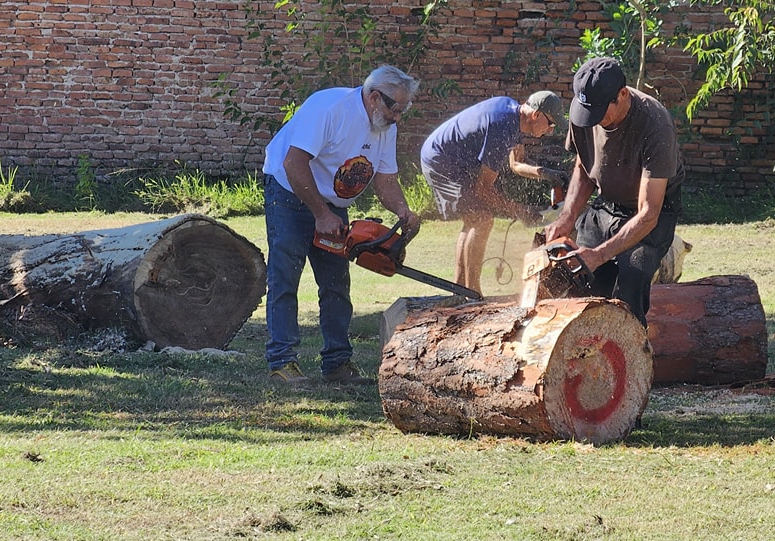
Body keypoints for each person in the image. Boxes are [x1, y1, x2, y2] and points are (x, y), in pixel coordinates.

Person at [262, 65, 421, 386]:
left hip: (332, 204)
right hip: (290, 192)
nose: (398, 117)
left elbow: (385, 177)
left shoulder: (384, 126)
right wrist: (320, 214)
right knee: (285, 277)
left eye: (404, 110)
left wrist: (404, 210)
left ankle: (337, 363)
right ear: (375, 97)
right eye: (395, 108)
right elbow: (294, 163)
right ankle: (282, 362)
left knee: (336, 284)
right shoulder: (329, 109)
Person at [544, 57, 684, 327]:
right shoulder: (583, 110)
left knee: (629, 284)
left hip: (652, 212)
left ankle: (632, 360)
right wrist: (567, 217)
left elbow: (648, 213)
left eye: (599, 111)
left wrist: (599, 254)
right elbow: (584, 167)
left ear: (623, 94)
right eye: (587, 110)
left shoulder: (656, 125)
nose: (592, 119)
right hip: (607, 202)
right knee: (580, 279)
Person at [421, 91, 568, 294]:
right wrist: (519, 210)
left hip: (447, 157)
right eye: (550, 124)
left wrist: (547, 174)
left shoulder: (512, 115)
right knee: (481, 219)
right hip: (442, 161)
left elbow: (516, 164)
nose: (550, 131)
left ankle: (460, 289)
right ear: (536, 115)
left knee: (474, 219)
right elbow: (483, 190)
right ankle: (472, 293)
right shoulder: (503, 127)